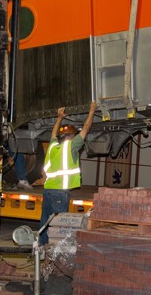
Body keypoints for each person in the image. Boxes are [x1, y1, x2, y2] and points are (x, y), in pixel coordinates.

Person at [38, 102, 96, 245]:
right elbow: (86, 129)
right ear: (71, 136)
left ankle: (41, 250)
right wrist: (92, 111)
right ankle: (56, 252)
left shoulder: (53, 147)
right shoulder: (71, 146)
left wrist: (59, 118)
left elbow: (53, 134)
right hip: (60, 193)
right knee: (59, 227)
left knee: (45, 223)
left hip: (47, 191)